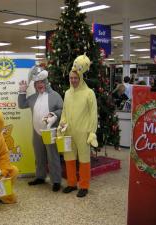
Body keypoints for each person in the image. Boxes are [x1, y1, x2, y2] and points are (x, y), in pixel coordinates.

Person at [58, 54, 98, 198]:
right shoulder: (67, 93)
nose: (73, 80)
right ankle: (71, 183)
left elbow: (94, 114)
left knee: (84, 159)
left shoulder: (89, 93)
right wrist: (61, 126)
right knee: (69, 158)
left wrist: (92, 132)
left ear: (80, 78)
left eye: (75, 78)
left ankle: (84, 185)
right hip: (69, 131)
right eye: (71, 78)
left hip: (83, 132)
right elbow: (64, 111)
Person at [18, 65, 63, 192]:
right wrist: (22, 91)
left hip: (50, 131)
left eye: (41, 82)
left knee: (52, 156)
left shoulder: (55, 96)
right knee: (39, 155)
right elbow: (21, 105)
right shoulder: (33, 97)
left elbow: (61, 109)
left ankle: (56, 180)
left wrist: (54, 115)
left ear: (46, 82)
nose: (39, 84)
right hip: (36, 131)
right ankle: (40, 176)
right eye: (37, 82)